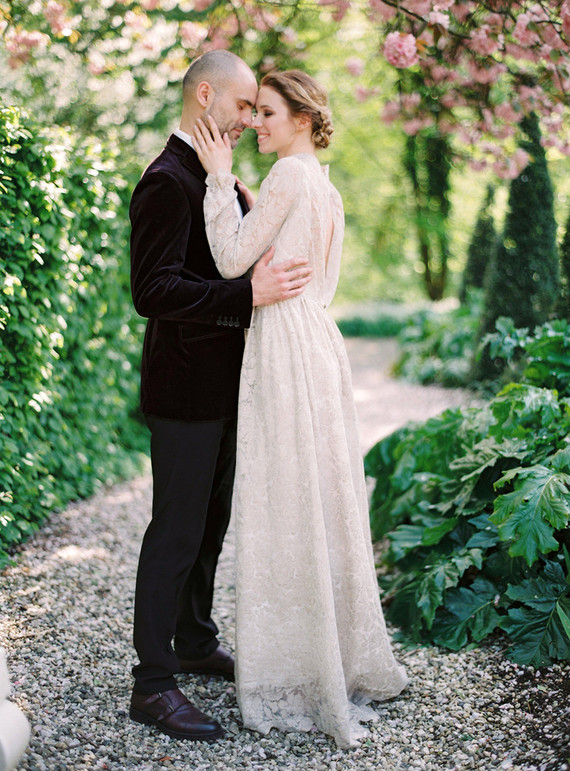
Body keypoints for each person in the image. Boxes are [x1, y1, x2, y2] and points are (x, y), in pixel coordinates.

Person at [192, 69, 409, 749]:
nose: (257, 122)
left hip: (283, 343)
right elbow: (322, 277)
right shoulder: (323, 185)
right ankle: (329, 657)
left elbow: (230, 260)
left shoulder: (288, 176)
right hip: (318, 340)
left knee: (285, 503)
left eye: (270, 113)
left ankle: (293, 669)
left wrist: (218, 177)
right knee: (319, 500)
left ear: (305, 118)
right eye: (254, 112)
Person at [128, 51, 312, 743]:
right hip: (183, 389)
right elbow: (152, 292)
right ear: (205, 95)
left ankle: (195, 639)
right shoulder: (165, 182)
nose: (246, 119)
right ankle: (151, 683)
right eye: (241, 105)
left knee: (211, 523)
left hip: (230, 383)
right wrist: (247, 295)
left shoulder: (213, 178)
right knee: (174, 532)